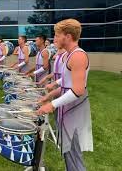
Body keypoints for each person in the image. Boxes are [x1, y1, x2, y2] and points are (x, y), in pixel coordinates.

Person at [37, 19, 93, 171]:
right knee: (69, 153)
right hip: (68, 109)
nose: (55, 38)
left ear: (67, 36)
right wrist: (52, 92)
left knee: (74, 156)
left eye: (57, 35)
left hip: (74, 110)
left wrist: (52, 104)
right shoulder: (69, 55)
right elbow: (67, 82)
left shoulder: (78, 56)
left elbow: (77, 90)